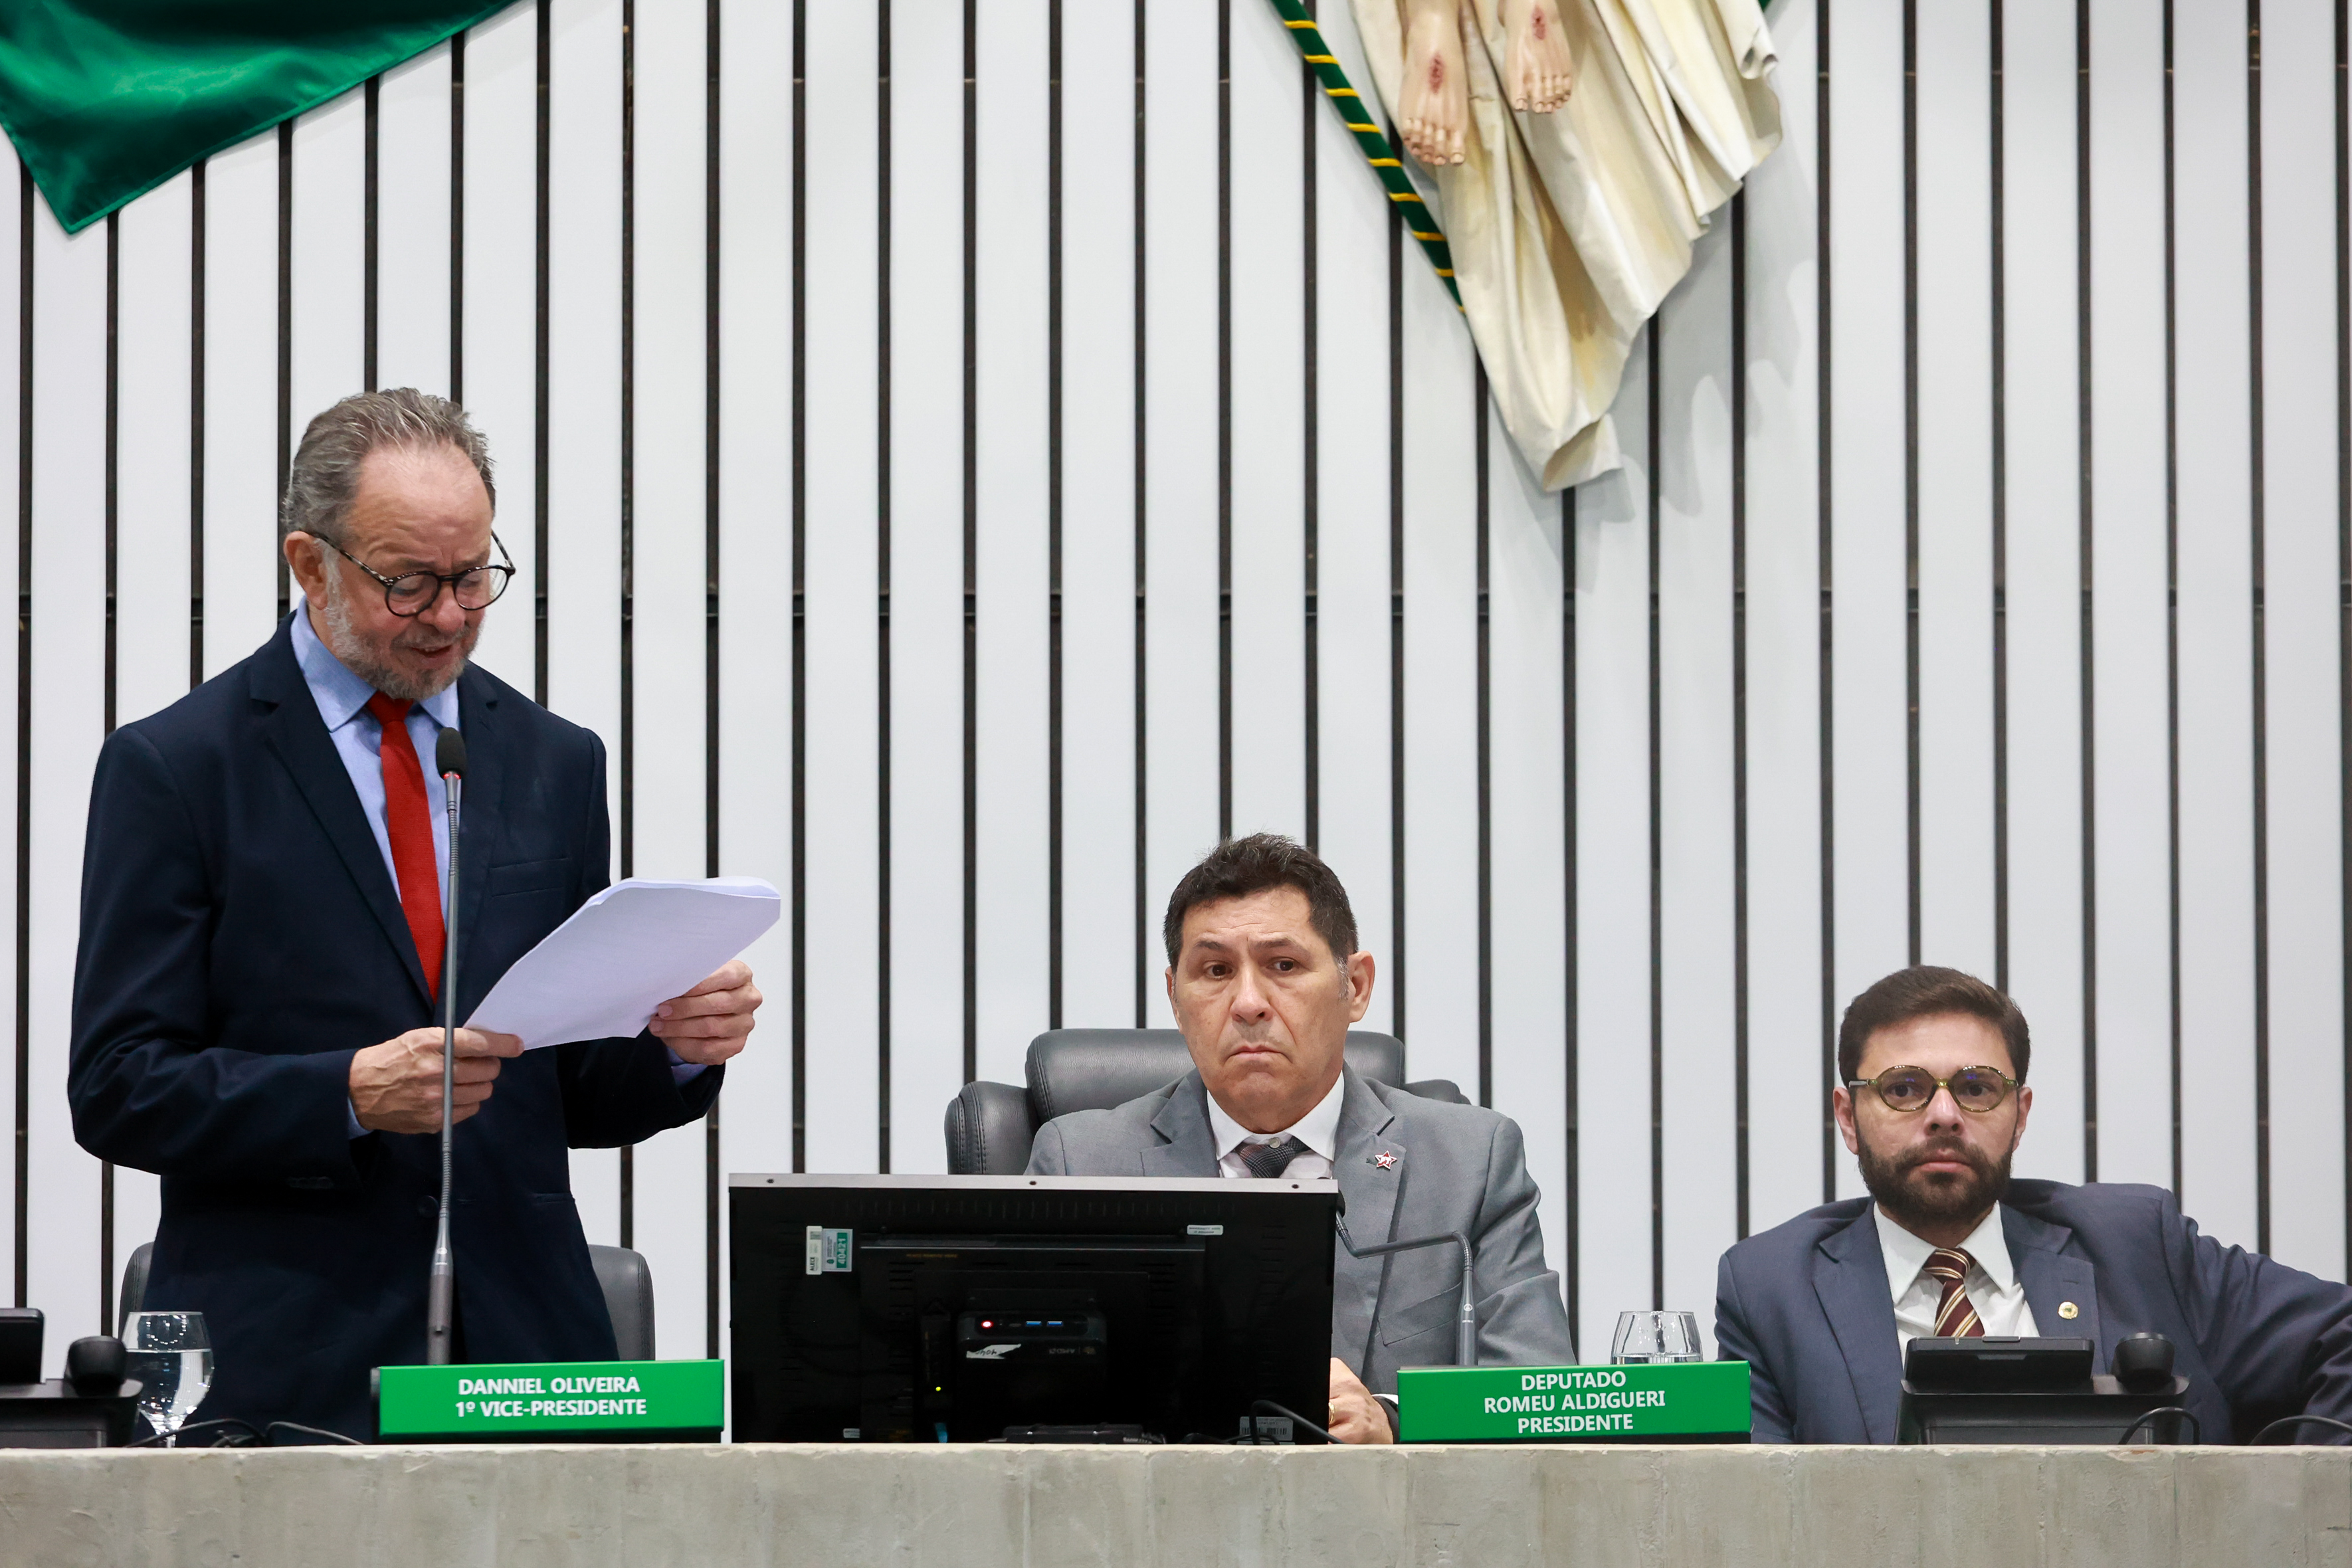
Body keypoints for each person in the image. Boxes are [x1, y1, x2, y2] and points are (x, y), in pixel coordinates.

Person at [68, 389, 761, 1440]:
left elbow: (568, 1092)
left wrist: (674, 1046)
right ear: (312, 565)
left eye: (474, 577)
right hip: (280, 1360)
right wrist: (345, 1094)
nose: (448, 616)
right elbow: (120, 1087)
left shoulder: (554, 760)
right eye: (410, 583)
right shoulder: (178, 767)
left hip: (526, 1356)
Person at [1026, 833, 1575, 1442]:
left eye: (1283, 966)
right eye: (1216, 971)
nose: (1248, 1003)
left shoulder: (1470, 1163)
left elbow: (1537, 1396)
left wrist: (1394, 1419)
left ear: (1355, 987)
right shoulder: (1081, 1163)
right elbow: (1029, 1403)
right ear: (1176, 999)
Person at [1715, 965, 2352, 1444]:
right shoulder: (1773, 1289)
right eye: (1904, 1089)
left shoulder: (2136, 1243)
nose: (1944, 1115)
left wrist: (2291, 1509)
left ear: (2019, 1116)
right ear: (1848, 1117)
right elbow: (1753, 1513)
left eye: (1976, 1088)